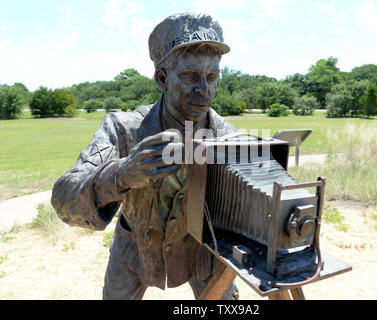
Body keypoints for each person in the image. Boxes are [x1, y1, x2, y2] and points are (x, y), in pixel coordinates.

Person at [51, 12, 239, 300]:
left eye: (212, 77)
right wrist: (121, 174)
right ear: (162, 78)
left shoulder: (228, 136)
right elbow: (64, 198)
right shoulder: (124, 128)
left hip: (203, 254)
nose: (204, 89)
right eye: (190, 76)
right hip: (134, 251)